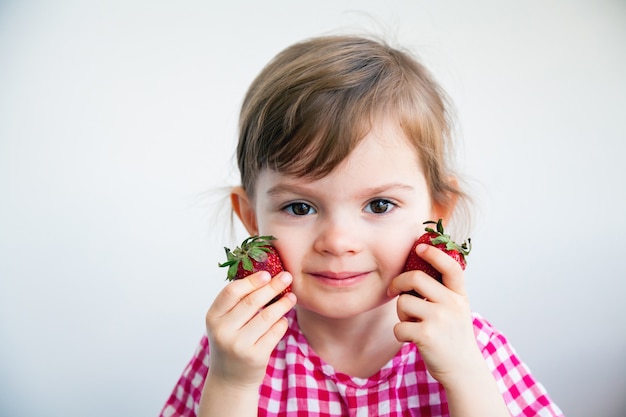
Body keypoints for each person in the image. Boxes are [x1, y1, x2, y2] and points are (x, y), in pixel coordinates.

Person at [159, 34, 564, 417]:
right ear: (250, 218)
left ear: (438, 211)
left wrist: (464, 374)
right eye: (300, 207)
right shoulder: (235, 353)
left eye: (379, 204)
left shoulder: (472, 348)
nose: (338, 241)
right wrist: (232, 384)